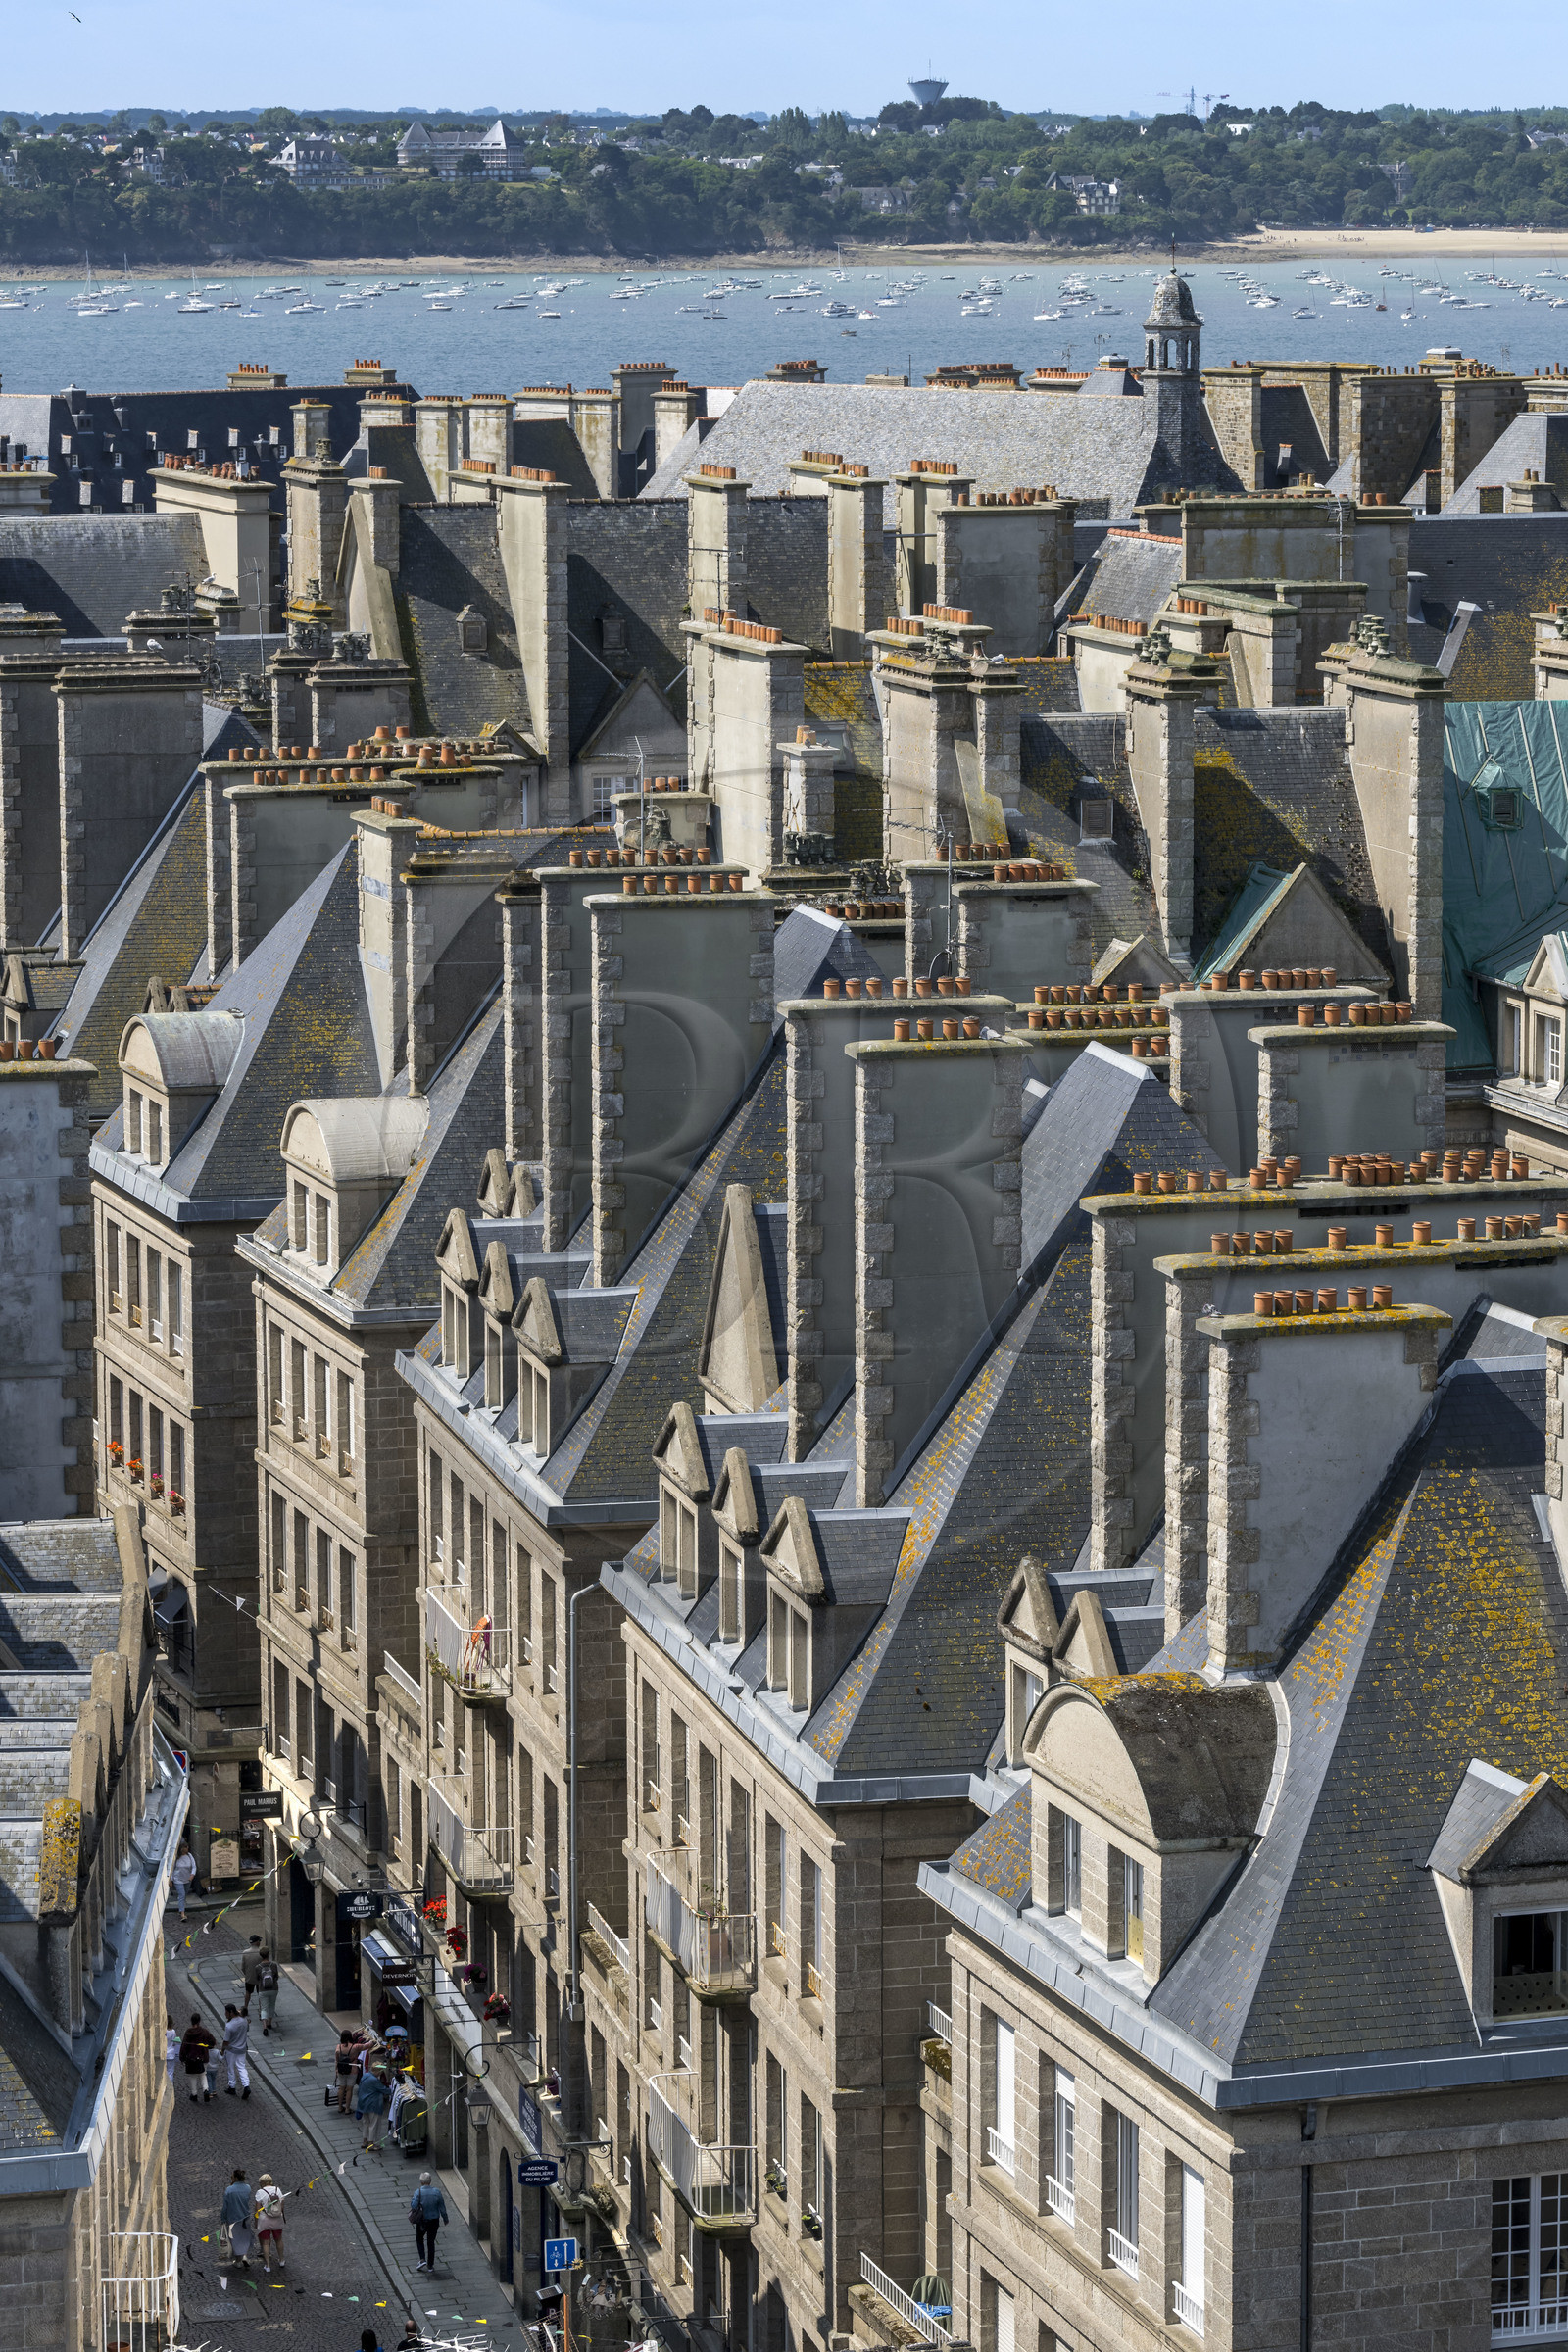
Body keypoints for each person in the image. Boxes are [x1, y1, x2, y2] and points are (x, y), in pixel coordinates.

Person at [409, 2171, 448, 2272]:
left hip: (422, 2221)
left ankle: (422, 2259)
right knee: (431, 2242)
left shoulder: (418, 2192)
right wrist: (445, 2218)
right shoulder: (436, 2192)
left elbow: (413, 2206)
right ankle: (430, 2265)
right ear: (430, 2181)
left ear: (421, 2182)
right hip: (434, 2221)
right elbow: (442, 2207)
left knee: (419, 2239)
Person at [220, 2167, 254, 2266]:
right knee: (244, 2237)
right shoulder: (247, 2188)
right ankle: (244, 2256)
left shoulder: (229, 2190)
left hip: (233, 2217)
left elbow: (225, 2206)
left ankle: (238, 2261)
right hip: (245, 2216)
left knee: (234, 2239)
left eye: (232, 2176)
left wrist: (223, 2218)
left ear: (235, 2178)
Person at [253, 2173, 286, 2272]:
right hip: (277, 2219)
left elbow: (257, 2209)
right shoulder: (278, 2190)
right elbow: (282, 2205)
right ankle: (282, 2260)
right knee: (279, 2240)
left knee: (266, 2243)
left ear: (261, 2183)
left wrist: (256, 2221)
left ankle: (267, 2265)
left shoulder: (260, 2192)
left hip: (264, 2220)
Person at [178, 2012, 215, 2101]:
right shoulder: (204, 2032)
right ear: (199, 2021)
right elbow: (212, 2041)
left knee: (192, 2076)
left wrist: (182, 2057)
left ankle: (194, 2094)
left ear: (191, 2021)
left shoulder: (188, 2032)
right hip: (202, 2057)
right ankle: (205, 2089)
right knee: (203, 2074)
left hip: (191, 2058)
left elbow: (184, 2046)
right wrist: (207, 2047)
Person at [356, 2060, 391, 2150]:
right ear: (378, 2071)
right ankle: (372, 2143)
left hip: (363, 2103)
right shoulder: (374, 2080)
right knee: (374, 2124)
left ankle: (365, 2141)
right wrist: (392, 2089)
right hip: (373, 2104)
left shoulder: (365, 2075)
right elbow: (384, 2090)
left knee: (366, 2122)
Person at [221, 2002, 252, 2097]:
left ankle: (232, 2087)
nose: (225, 2014)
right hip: (242, 2049)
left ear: (231, 2012)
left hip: (231, 2050)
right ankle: (246, 2085)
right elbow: (247, 2029)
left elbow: (226, 2041)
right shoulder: (244, 2021)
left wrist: (222, 2049)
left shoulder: (229, 2026)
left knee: (231, 2068)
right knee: (242, 2067)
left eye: (226, 2012)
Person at [255, 1947, 279, 2035]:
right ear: (268, 1954)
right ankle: (269, 2023)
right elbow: (276, 1976)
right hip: (274, 1988)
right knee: (272, 2005)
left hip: (262, 1989)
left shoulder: (258, 1967)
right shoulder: (273, 1965)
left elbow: (257, 1978)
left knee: (264, 2008)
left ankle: (264, 2026)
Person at [171, 1843, 198, 1919]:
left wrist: (192, 1874)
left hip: (188, 1879)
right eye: (186, 1847)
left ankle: (180, 1908)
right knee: (182, 1895)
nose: (187, 1848)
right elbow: (172, 1869)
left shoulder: (190, 1856)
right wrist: (171, 1880)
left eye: (187, 1847)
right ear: (182, 1848)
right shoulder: (177, 1857)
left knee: (184, 1895)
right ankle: (182, 1914)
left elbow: (194, 1866)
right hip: (178, 1879)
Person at [335, 2027, 359, 2113]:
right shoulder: (354, 2047)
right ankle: (347, 2109)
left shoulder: (339, 2048)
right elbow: (366, 2046)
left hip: (341, 2070)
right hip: (352, 2071)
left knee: (341, 2088)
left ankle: (340, 2107)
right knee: (349, 2089)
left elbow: (337, 2060)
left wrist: (336, 2070)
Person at [240, 1933, 265, 2015]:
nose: (260, 1942)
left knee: (248, 1992)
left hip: (250, 1977)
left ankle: (245, 2008)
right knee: (260, 1994)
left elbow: (242, 1967)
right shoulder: (261, 1952)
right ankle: (261, 2010)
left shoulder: (245, 1952)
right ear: (257, 1942)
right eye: (259, 1941)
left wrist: (247, 1974)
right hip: (260, 1977)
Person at [165, 2014, 179, 2088]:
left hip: (164, 2054)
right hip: (171, 2054)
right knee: (170, 2072)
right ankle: (170, 2087)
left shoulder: (163, 2031)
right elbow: (175, 2042)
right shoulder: (173, 2031)